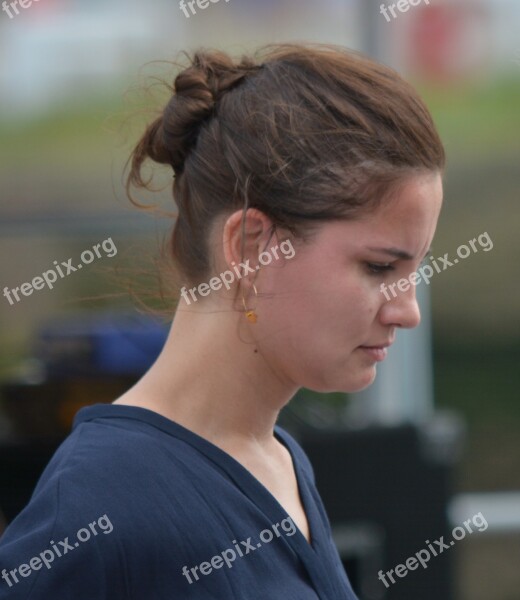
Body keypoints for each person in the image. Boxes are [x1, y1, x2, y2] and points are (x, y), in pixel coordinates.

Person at [0, 43, 445, 599]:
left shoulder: (279, 459)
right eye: (380, 267)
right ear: (250, 244)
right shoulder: (100, 505)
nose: (408, 310)